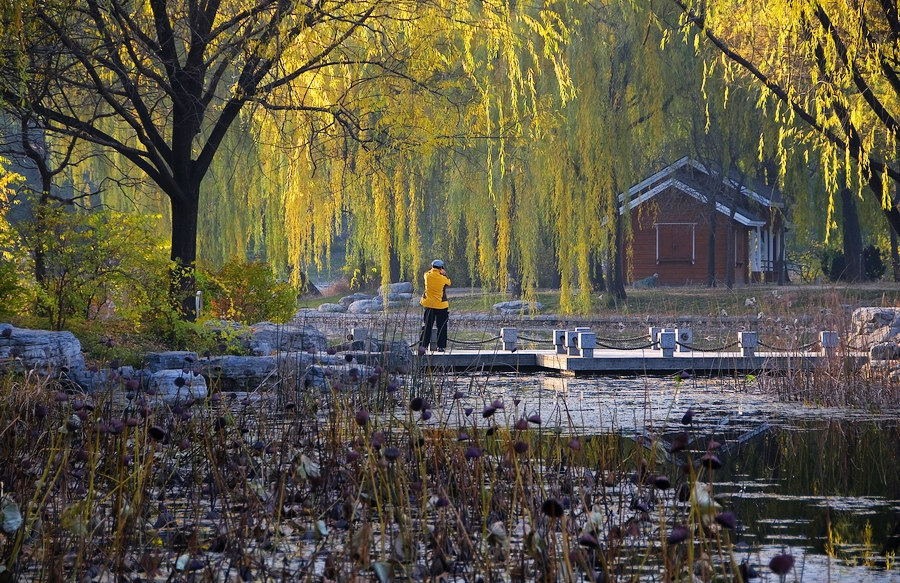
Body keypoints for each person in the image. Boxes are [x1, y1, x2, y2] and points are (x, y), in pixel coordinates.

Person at [419, 259, 451, 352]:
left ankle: (423, 346)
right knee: (441, 327)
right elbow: (449, 283)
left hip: (429, 305)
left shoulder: (427, 276)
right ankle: (441, 346)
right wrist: (444, 274)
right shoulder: (443, 278)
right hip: (441, 306)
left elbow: (427, 272)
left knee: (427, 326)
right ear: (441, 268)